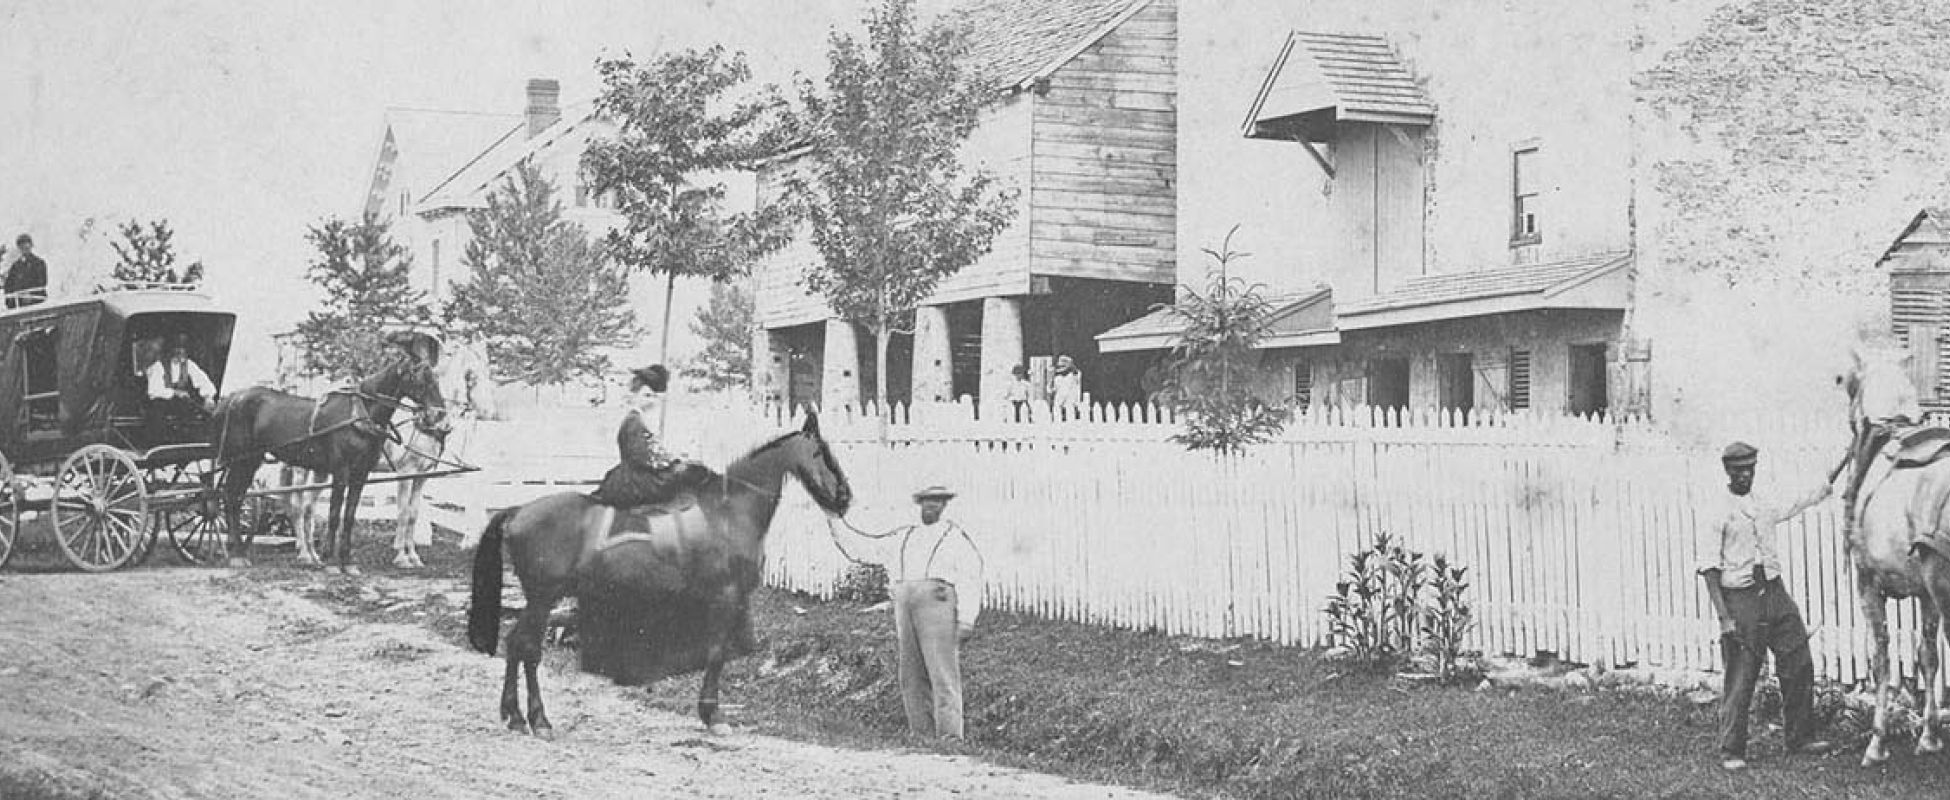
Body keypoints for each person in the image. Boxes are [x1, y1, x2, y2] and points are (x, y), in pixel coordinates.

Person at [1696, 441, 1834, 771]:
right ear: (1727, 471)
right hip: (1740, 597)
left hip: (1774, 590)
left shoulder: (1763, 501)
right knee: (1742, 673)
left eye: (1750, 470)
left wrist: (1831, 476)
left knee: (1798, 658)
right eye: (1738, 470)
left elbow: (1799, 501)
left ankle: (1800, 736)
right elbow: (1709, 568)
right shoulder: (1718, 509)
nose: (1745, 476)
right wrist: (1725, 618)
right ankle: (1732, 749)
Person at [827, 485, 985, 740]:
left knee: (942, 672)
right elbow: (863, 549)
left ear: (944, 506)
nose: (931, 506)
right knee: (911, 675)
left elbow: (970, 576)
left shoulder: (954, 538)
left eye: (937, 502)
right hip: (905, 605)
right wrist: (834, 520)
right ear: (920, 504)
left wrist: (967, 618)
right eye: (927, 501)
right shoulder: (905, 536)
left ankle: (950, 738)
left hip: (937, 605)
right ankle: (921, 735)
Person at [588, 365, 709, 509]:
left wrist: (673, 459)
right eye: (647, 396)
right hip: (637, 478)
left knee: (690, 469)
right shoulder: (633, 421)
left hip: (640, 473)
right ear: (633, 396)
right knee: (688, 476)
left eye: (654, 397)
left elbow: (650, 451)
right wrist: (671, 463)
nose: (651, 400)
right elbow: (641, 456)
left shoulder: (639, 420)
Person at [1841, 348, 1921, 529]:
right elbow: (1914, 409)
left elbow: (1870, 415)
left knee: (1861, 472)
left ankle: (1852, 511)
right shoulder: (1900, 377)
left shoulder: (1872, 378)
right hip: (1910, 427)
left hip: (1882, 429)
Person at [145, 334, 216, 423]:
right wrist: (175, 392)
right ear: (171, 350)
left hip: (180, 405)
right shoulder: (158, 366)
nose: (181, 352)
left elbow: (203, 381)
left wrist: (208, 397)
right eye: (177, 349)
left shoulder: (188, 364)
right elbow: (153, 391)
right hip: (161, 405)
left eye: (183, 349)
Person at [6, 233, 47, 309]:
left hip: (36, 301)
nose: (24, 248)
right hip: (19, 303)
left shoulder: (39, 263)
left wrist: (30, 294)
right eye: (21, 246)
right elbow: (9, 285)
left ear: (31, 246)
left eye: (26, 245)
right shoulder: (15, 266)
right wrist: (13, 298)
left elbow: (42, 282)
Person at [1051, 354, 1082, 420]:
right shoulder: (1057, 378)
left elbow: (1076, 374)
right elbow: (1051, 389)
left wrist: (1071, 365)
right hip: (1059, 405)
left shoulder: (1073, 376)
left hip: (1071, 405)